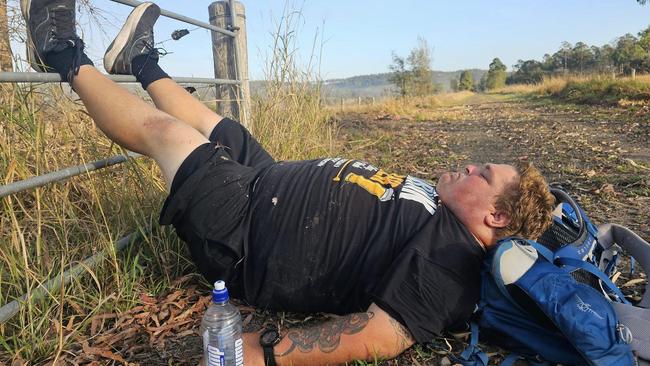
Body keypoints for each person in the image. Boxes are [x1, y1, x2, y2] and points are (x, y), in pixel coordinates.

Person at [22, 1, 556, 365]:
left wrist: (270, 351)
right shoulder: (442, 213)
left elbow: (381, 335)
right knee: (223, 127)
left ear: (495, 217)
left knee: (169, 134)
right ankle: (140, 61)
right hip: (267, 185)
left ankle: (61, 49)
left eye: (481, 175)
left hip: (245, 235)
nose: (467, 167)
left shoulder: (451, 263)